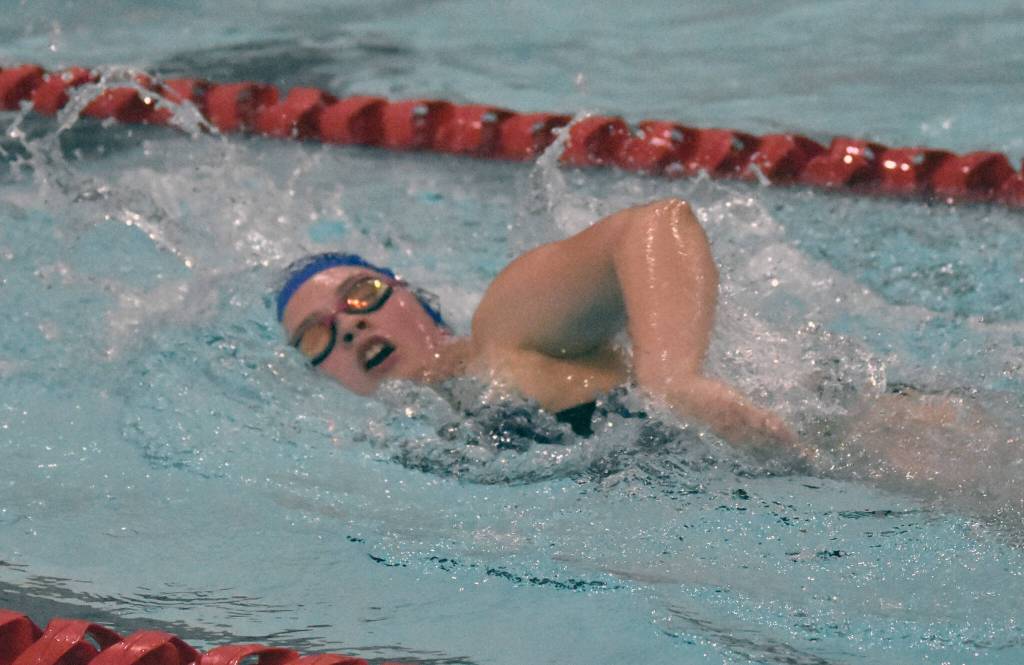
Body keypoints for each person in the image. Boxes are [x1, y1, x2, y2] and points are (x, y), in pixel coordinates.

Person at [277, 198, 799, 450]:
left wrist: (672, 379)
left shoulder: (503, 333)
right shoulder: (428, 438)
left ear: (412, 297)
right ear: (321, 375)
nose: (348, 326)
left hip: (832, 444)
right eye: (317, 336)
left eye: (362, 296)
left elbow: (651, 224)